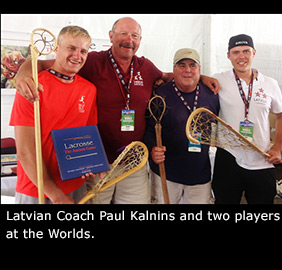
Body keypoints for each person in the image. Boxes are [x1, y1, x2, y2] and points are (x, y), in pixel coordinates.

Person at [15, 17, 220, 204]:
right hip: (98, 164)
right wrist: (23, 75)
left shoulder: (145, 67)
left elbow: (173, 75)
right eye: (123, 34)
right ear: (111, 36)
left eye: (134, 35)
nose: (129, 40)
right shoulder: (92, 61)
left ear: (140, 40)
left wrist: (201, 77)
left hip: (133, 161)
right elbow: (44, 64)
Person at [10, 25, 97, 204]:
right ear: (57, 49)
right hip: (37, 190)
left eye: (83, 51)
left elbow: (87, 136)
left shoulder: (89, 89)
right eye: (71, 48)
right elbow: (25, 151)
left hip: (75, 186)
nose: (77, 55)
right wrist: (56, 195)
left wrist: (90, 164)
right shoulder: (33, 87)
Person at [212, 34, 282, 204]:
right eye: (236, 52)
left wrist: (277, 147)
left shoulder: (270, 83)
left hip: (262, 158)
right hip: (228, 157)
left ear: (254, 52)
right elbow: (193, 79)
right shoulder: (218, 79)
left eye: (246, 51)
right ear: (228, 55)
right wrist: (203, 77)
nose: (241, 57)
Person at [144, 48, 220, 204]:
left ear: (199, 69)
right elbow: (149, 129)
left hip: (200, 175)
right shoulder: (160, 94)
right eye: (182, 65)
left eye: (193, 65)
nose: (187, 70)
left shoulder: (212, 94)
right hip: (166, 174)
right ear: (174, 69)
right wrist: (152, 149)